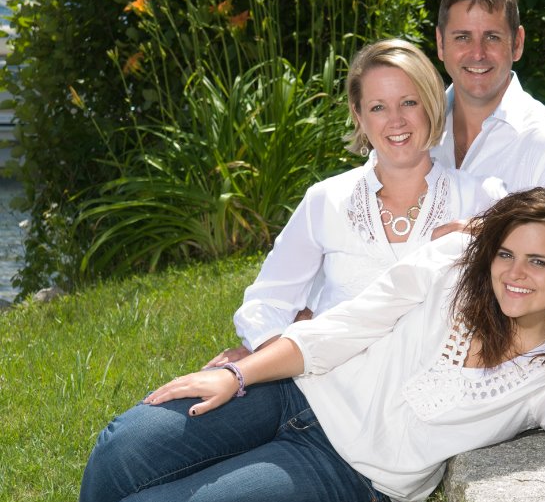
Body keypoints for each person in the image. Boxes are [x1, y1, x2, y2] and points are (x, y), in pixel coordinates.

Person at [38, 188, 545, 502]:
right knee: (126, 444)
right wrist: (240, 376)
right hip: (297, 394)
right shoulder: (454, 266)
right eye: (506, 253)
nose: (514, 273)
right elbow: (348, 324)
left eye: (539, 262)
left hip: (345, 473)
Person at [206, 38, 505, 367]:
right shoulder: (327, 200)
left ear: (431, 104)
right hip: (324, 389)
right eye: (378, 107)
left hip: (435, 394)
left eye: (408, 102)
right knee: (163, 416)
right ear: (358, 115)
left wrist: (493, 238)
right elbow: (266, 302)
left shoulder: (481, 198)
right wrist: (278, 360)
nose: (396, 121)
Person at [430, 0, 545, 202]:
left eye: (492, 37)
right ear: (441, 44)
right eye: (462, 37)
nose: (478, 54)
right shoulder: (416, 131)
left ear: (517, 44)